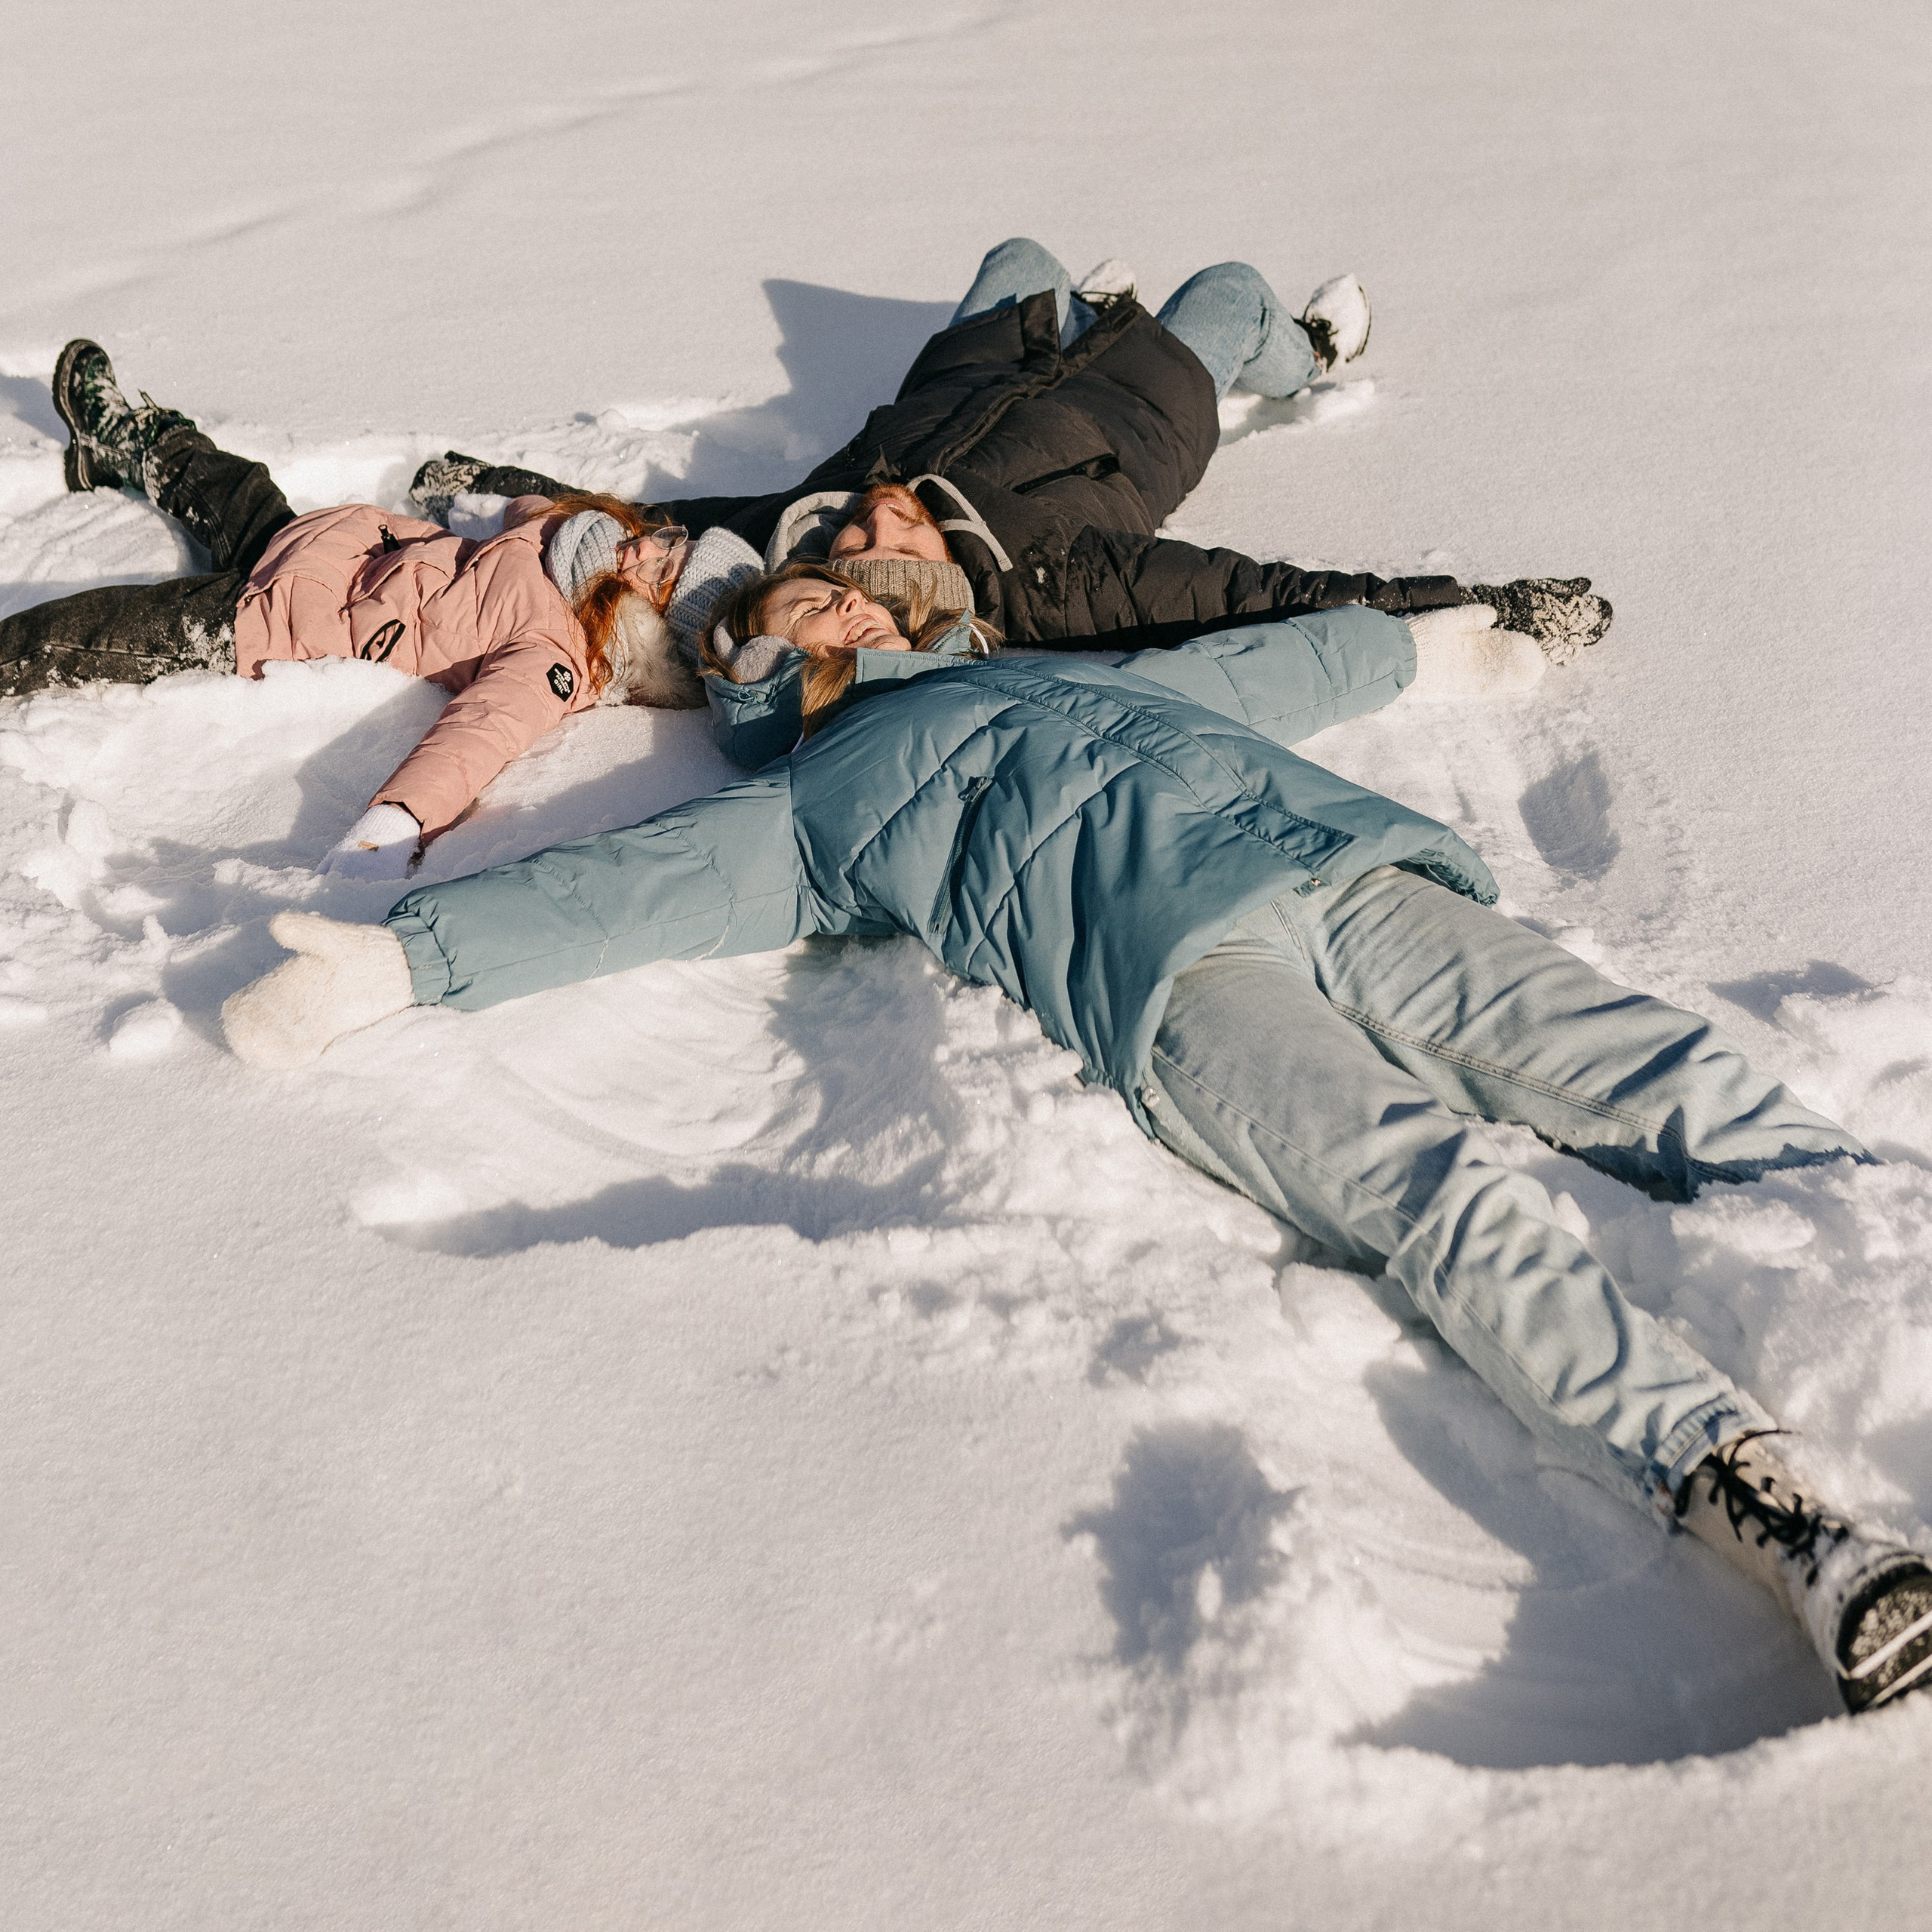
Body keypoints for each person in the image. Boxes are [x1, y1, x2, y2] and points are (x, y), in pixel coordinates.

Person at [219, 569, 1932, 1715]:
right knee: (1426, 1195)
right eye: (761, 637)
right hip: (1187, 985)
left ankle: (1887, 1235)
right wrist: (402, 960)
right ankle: (1747, 1491)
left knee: (1647, 1065)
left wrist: (1470, 629)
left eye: (816, 603)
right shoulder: (818, 798)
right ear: (747, 694)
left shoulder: (1053, 670)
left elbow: (1292, 662)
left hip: (1348, 868)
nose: (797, 625)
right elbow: (636, 886)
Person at [420, 238, 1611, 670]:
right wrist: (1483, 606)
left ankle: (1077, 302)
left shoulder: (813, 518)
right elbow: (1266, 595)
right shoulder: (1059, 578)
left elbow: (668, 516)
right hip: (1148, 405)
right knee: (1231, 289)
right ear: (935, 576)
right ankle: (1303, 350)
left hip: (978, 370)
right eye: (884, 538)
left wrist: (498, 493)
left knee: (1020, 251)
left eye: (846, 541)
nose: (865, 516)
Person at [2, 342, 701, 878]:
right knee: (233, 481)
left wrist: (390, 828)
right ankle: (120, 440)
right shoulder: (585, 541)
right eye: (668, 539)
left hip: (272, 621)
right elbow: (529, 510)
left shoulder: (556, 655)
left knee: (84, 633)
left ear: (653, 635)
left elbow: (480, 735)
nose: (647, 550)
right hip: (319, 549)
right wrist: (468, 500)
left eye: (661, 573)